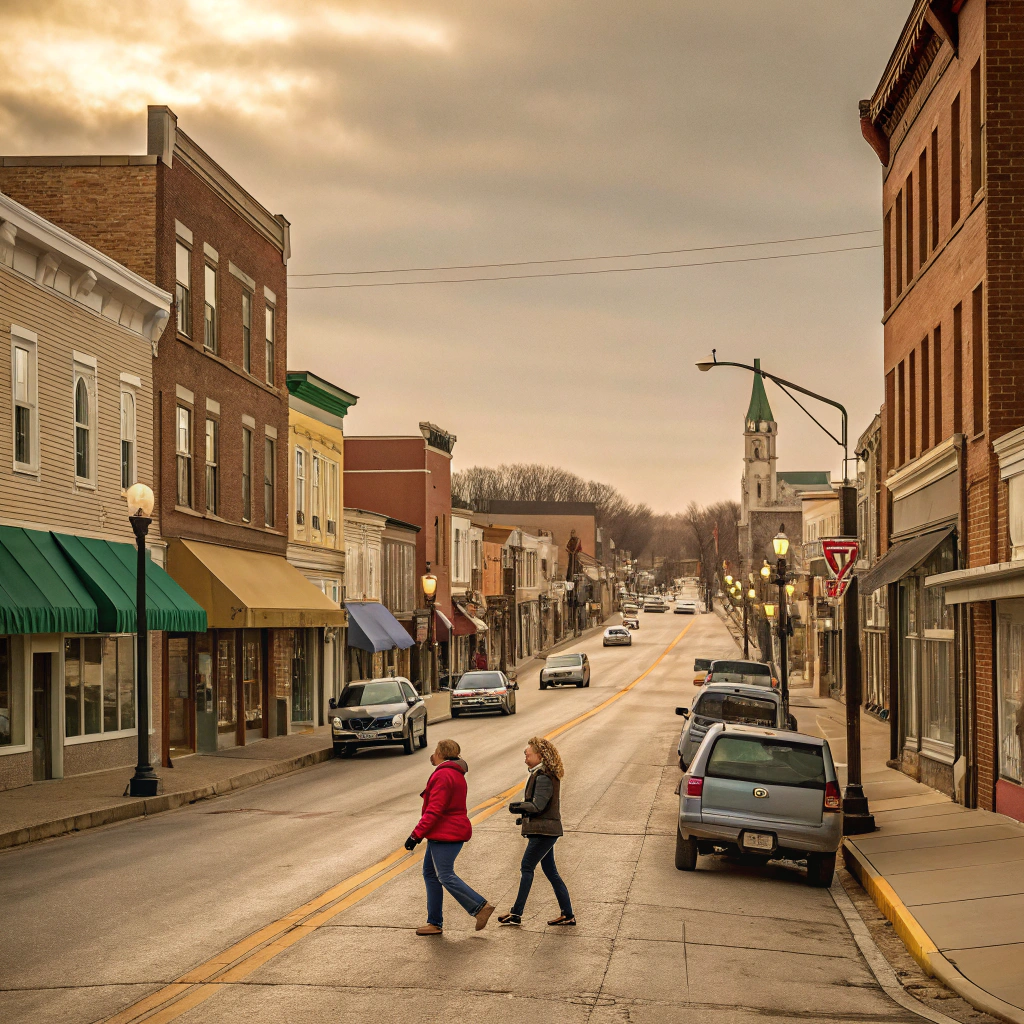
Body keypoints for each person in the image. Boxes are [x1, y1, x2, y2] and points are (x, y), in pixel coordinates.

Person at [405, 738, 494, 936]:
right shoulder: (455, 772)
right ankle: (434, 922)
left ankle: (480, 907)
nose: (432, 755)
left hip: (445, 833)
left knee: (444, 875)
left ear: (440, 754)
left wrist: (416, 835)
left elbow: (434, 809)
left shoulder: (444, 774)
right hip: (444, 832)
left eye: (435, 751)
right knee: (430, 874)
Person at [498, 737, 575, 927]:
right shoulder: (541, 773)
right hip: (545, 830)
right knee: (551, 871)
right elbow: (542, 807)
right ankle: (568, 914)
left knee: (527, 867)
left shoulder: (543, 776)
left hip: (544, 832)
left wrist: (518, 807)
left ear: (539, 756)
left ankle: (516, 913)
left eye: (527, 754)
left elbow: (538, 805)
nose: (525, 758)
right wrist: (524, 816)